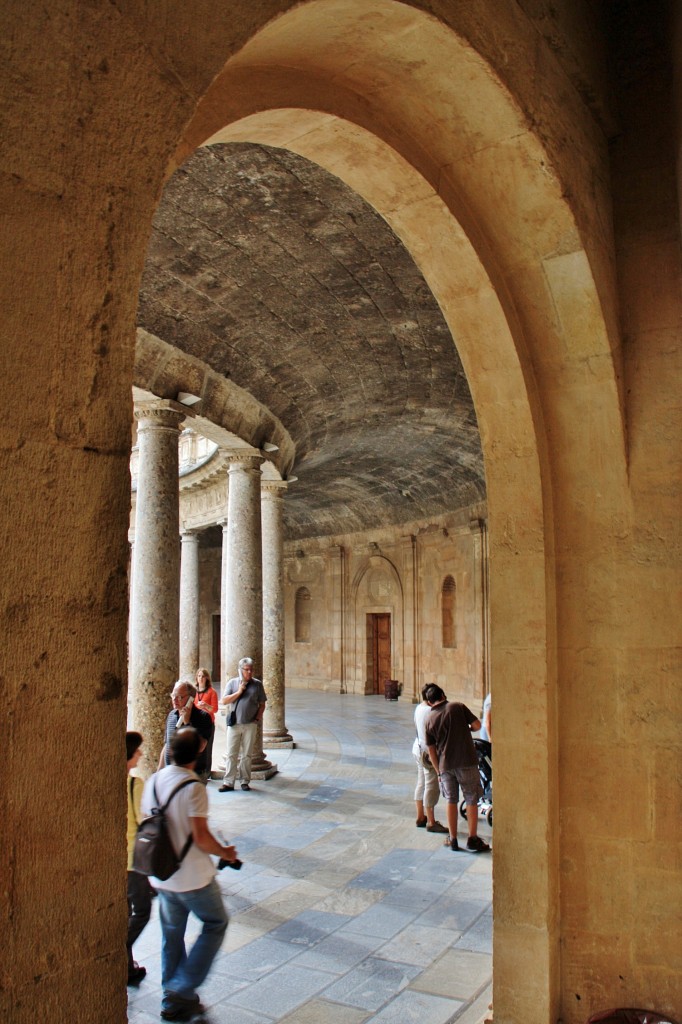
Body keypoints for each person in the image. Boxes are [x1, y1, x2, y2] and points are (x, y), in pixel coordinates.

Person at [141, 726, 238, 1022]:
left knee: (172, 934)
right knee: (216, 922)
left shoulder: (154, 781)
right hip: (193, 877)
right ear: (197, 754)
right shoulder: (193, 786)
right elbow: (200, 836)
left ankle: (172, 999)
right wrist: (226, 853)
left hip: (162, 874)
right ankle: (182, 987)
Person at [424, 683, 491, 853]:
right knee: (471, 798)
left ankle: (453, 839)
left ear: (429, 702)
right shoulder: (457, 707)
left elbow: (431, 750)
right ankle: (472, 838)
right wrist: (464, 729)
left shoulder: (428, 719)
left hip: (445, 765)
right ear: (443, 695)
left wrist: (438, 770)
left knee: (451, 800)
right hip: (466, 761)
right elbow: (477, 726)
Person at [126, 731, 152, 986]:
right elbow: (142, 820)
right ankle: (120, 952)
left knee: (124, 912)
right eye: (137, 752)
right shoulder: (136, 784)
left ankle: (127, 967)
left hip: (114, 860)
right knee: (142, 911)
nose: (141, 755)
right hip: (132, 860)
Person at [218, 656, 266, 792]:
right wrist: (239, 691)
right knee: (231, 754)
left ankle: (245, 781)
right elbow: (225, 700)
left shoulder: (257, 684)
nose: (249, 672)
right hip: (234, 724)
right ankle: (228, 782)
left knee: (247, 754)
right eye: (246, 670)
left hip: (250, 724)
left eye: (251, 670)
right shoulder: (233, 683)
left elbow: (262, 704)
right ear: (240, 670)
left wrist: (257, 719)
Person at [159, 680, 213, 780]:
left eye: (179, 697)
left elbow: (200, 747)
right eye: (173, 695)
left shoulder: (203, 717)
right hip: (170, 773)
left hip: (193, 776)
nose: (174, 699)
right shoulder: (171, 715)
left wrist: (187, 723)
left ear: (191, 699)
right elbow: (167, 745)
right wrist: (159, 771)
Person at [413, 686, 448, 833]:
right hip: (428, 753)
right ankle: (431, 822)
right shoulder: (431, 712)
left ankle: (421, 816)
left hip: (417, 748)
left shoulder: (419, 708)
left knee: (421, 783)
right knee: (431, 786)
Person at [194, 668, 218, 781]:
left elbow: (215, 709)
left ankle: (206, 772)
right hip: (196, 722)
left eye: (203, 676)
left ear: (207, 678)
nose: (201, 678)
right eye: (199, 676)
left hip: (208, 723)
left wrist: (206, 706)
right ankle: (196, 770)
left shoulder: (212, 692)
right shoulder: (194, 692)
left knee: (207, 748)